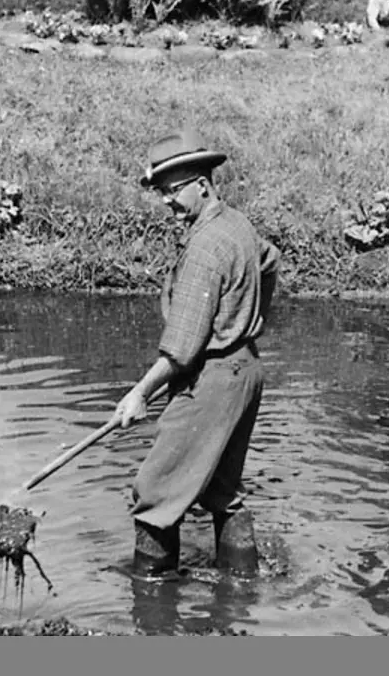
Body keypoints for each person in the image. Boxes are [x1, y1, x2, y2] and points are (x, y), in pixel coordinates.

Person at [115, 129, 280, 579]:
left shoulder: (205, 249)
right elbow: (270, 260)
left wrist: (139, 393)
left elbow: (183, 349)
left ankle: (151, 599)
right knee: (223, 491)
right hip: (246, 369)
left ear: (202, 185)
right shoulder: (235, 223)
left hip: (212, 378)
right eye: (162, 192)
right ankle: (241, 589)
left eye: (172, 191)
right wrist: (251, 319)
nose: (166, 202)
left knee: (155, 490)